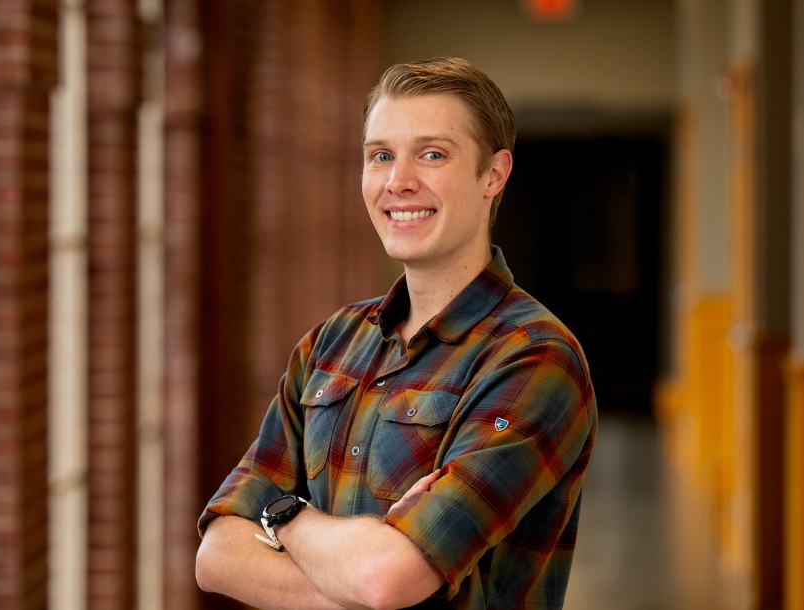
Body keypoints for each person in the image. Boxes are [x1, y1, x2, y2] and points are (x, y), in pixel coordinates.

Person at [193, 57, 597, 610]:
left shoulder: (535, 360)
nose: (398, 182)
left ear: (494, 174)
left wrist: (281, 514)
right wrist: (359, 570)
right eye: (380, 155)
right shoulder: (331, 344)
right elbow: (216, 557)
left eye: (432, 154)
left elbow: (388, 580)